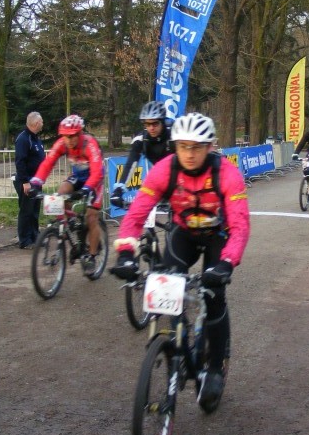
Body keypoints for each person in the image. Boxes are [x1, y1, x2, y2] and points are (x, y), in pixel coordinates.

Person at [110, 112, 250, 411]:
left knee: (214, 296)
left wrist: (227, 262)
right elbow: (137, 213)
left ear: (210, 147)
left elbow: (239, 225)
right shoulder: (165, 169)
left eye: (197, 147)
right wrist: (126, 253)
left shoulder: (227, 173)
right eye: (183, 146)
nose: (189, 153)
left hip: (217, 236)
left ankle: (215, 368)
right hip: (183, 233)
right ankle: (175, 340)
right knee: (166, 286)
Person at [28, 115, 104, 276]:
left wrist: (87, 189)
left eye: (72, 136)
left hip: (94, 180)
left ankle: (91, 256)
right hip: (77, 177)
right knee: (61, 193)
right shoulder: (62, 143)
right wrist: (35, 182)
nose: (68, 140)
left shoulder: (89, 144)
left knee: (91, 216)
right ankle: (70, 224)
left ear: (80, 133)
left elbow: (97, 171)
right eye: (65, 136)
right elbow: (48, 163)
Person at [109, 101, 173, 208]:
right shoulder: (141, 140)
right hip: (158, 181)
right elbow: (130, 164)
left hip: (179, 181)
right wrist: (119, 189)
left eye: (155, 124)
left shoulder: (174, 136)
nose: (151, 128)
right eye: (147, 124)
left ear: (162, 122)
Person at [13, 111, 45, 249]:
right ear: (36, 123)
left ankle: (35, 236)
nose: (43, 123)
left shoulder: (35, 138)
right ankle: (25, 240)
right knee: (26, 210)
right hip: (27, 181)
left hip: (36, 180)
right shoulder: (23, 139)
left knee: (35, 210)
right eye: (41, 121)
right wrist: (25, 182)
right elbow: (20, 161)